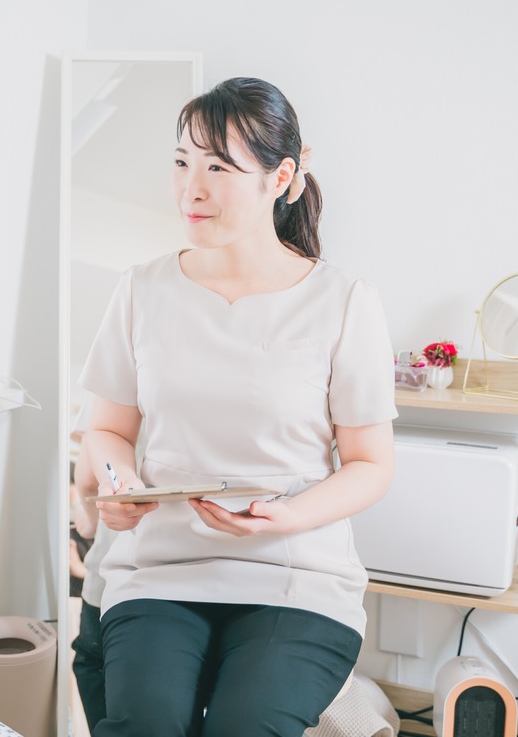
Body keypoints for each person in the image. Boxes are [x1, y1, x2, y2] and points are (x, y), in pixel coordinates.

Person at [78, 77, 397, 736]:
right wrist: (118, 483)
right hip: (161, 570)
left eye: (218, 168)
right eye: (181, 162)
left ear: (280, 178)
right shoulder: (141, 291)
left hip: (296, 576)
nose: (191, 188)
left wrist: (287, 516)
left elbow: (370, 463)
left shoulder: (343, 301)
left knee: (244, 725)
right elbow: (107, 430)